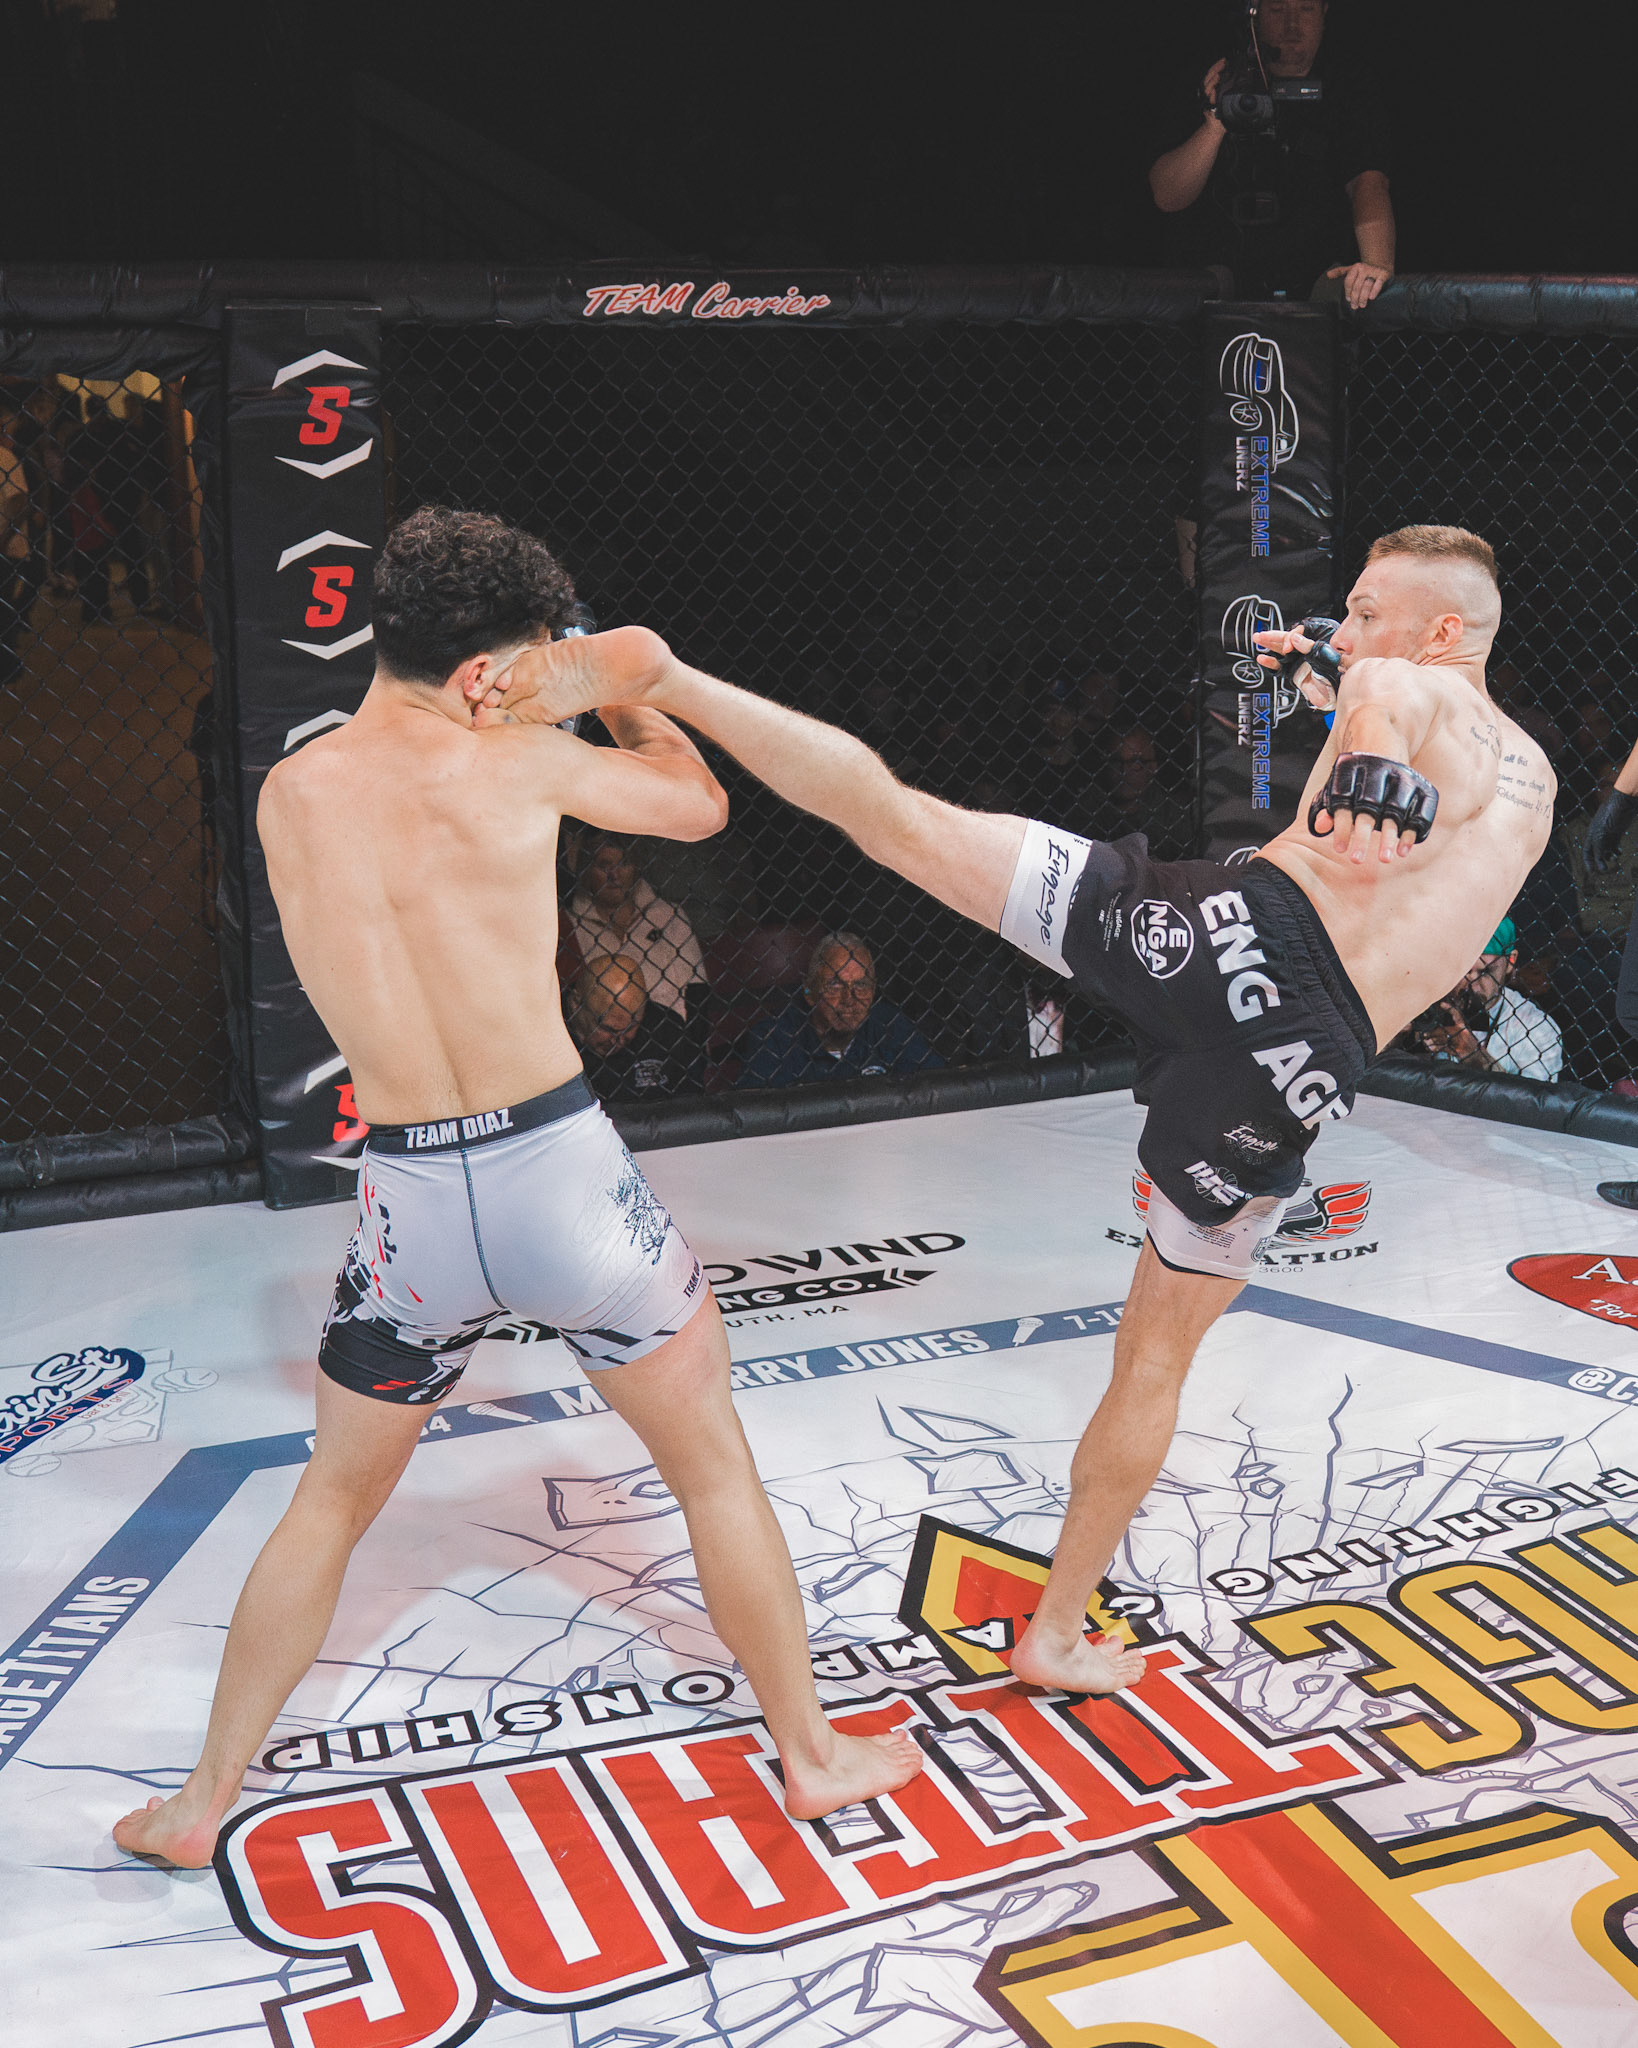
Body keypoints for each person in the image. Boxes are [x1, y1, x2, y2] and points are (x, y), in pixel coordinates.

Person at [490, 522, 1552, 1699]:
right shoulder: (1533, 781)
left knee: (897, 820)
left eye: (1367, 608)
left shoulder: (1410, 689)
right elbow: (1390, 710)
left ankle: (669, 677)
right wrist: (1329, 672)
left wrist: (1365, 762)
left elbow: (1394, 708)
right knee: (1155, 1361)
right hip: (1304, 1063)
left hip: (1230, 940)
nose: (1349, 626)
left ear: (1442, 629)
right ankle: (1054, 1631)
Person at [111, 508, 922, 1868]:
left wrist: (541, 685)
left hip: (409, 1204)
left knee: (329, 1498)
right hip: (562, 1176)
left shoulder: (289, 791)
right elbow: (700, 803)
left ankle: (201, 1803)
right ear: (497, 667)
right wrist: (610, 687)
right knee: (710, 1467)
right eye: (536, 654)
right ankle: (814, 1752)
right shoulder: (525, 762)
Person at [1148, 0, 1394, 307]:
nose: (1292, 25)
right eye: (1277, 9)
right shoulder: (1217, 77)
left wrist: (1375, 265)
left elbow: (1368, 183)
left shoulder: (1348, 83)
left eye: (1306, 9)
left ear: (1324, 13)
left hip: (1315, 276)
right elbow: (1167, 196)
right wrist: (1216, 121)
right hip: (1220, 277)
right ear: (1255, 13)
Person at [740, 931, 944, 1088]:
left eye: (861, 985)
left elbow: (937, 1085)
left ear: (873, 991)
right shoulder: (774, 1038)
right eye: (835, 985)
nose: (850, 999)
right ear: (809, 992)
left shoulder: (891, 1025)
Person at [568, 830, 706, 1021]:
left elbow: (698, 990)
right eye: (604, 866)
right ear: (587, 870)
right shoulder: (571, 926)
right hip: (610, 1030)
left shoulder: (667, 915)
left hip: (677, 1027)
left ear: (635, 867)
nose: (614, 875)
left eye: (623, 864)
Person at [1410, 918, 1564, 1082]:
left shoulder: (1536, 1028)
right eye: (1463, 970)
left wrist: (1473, 1055)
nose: (1472, 984)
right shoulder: (1427, 1003)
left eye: (1485, 972)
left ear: (1510, 961)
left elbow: (1532, 1097)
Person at [569, 953, 703, 1101]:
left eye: (629, 1028)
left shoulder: (666, 1027)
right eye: (608, 1029)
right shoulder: (551, 1032)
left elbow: (693, 1097)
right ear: (576, 1004)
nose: (618, 1040)